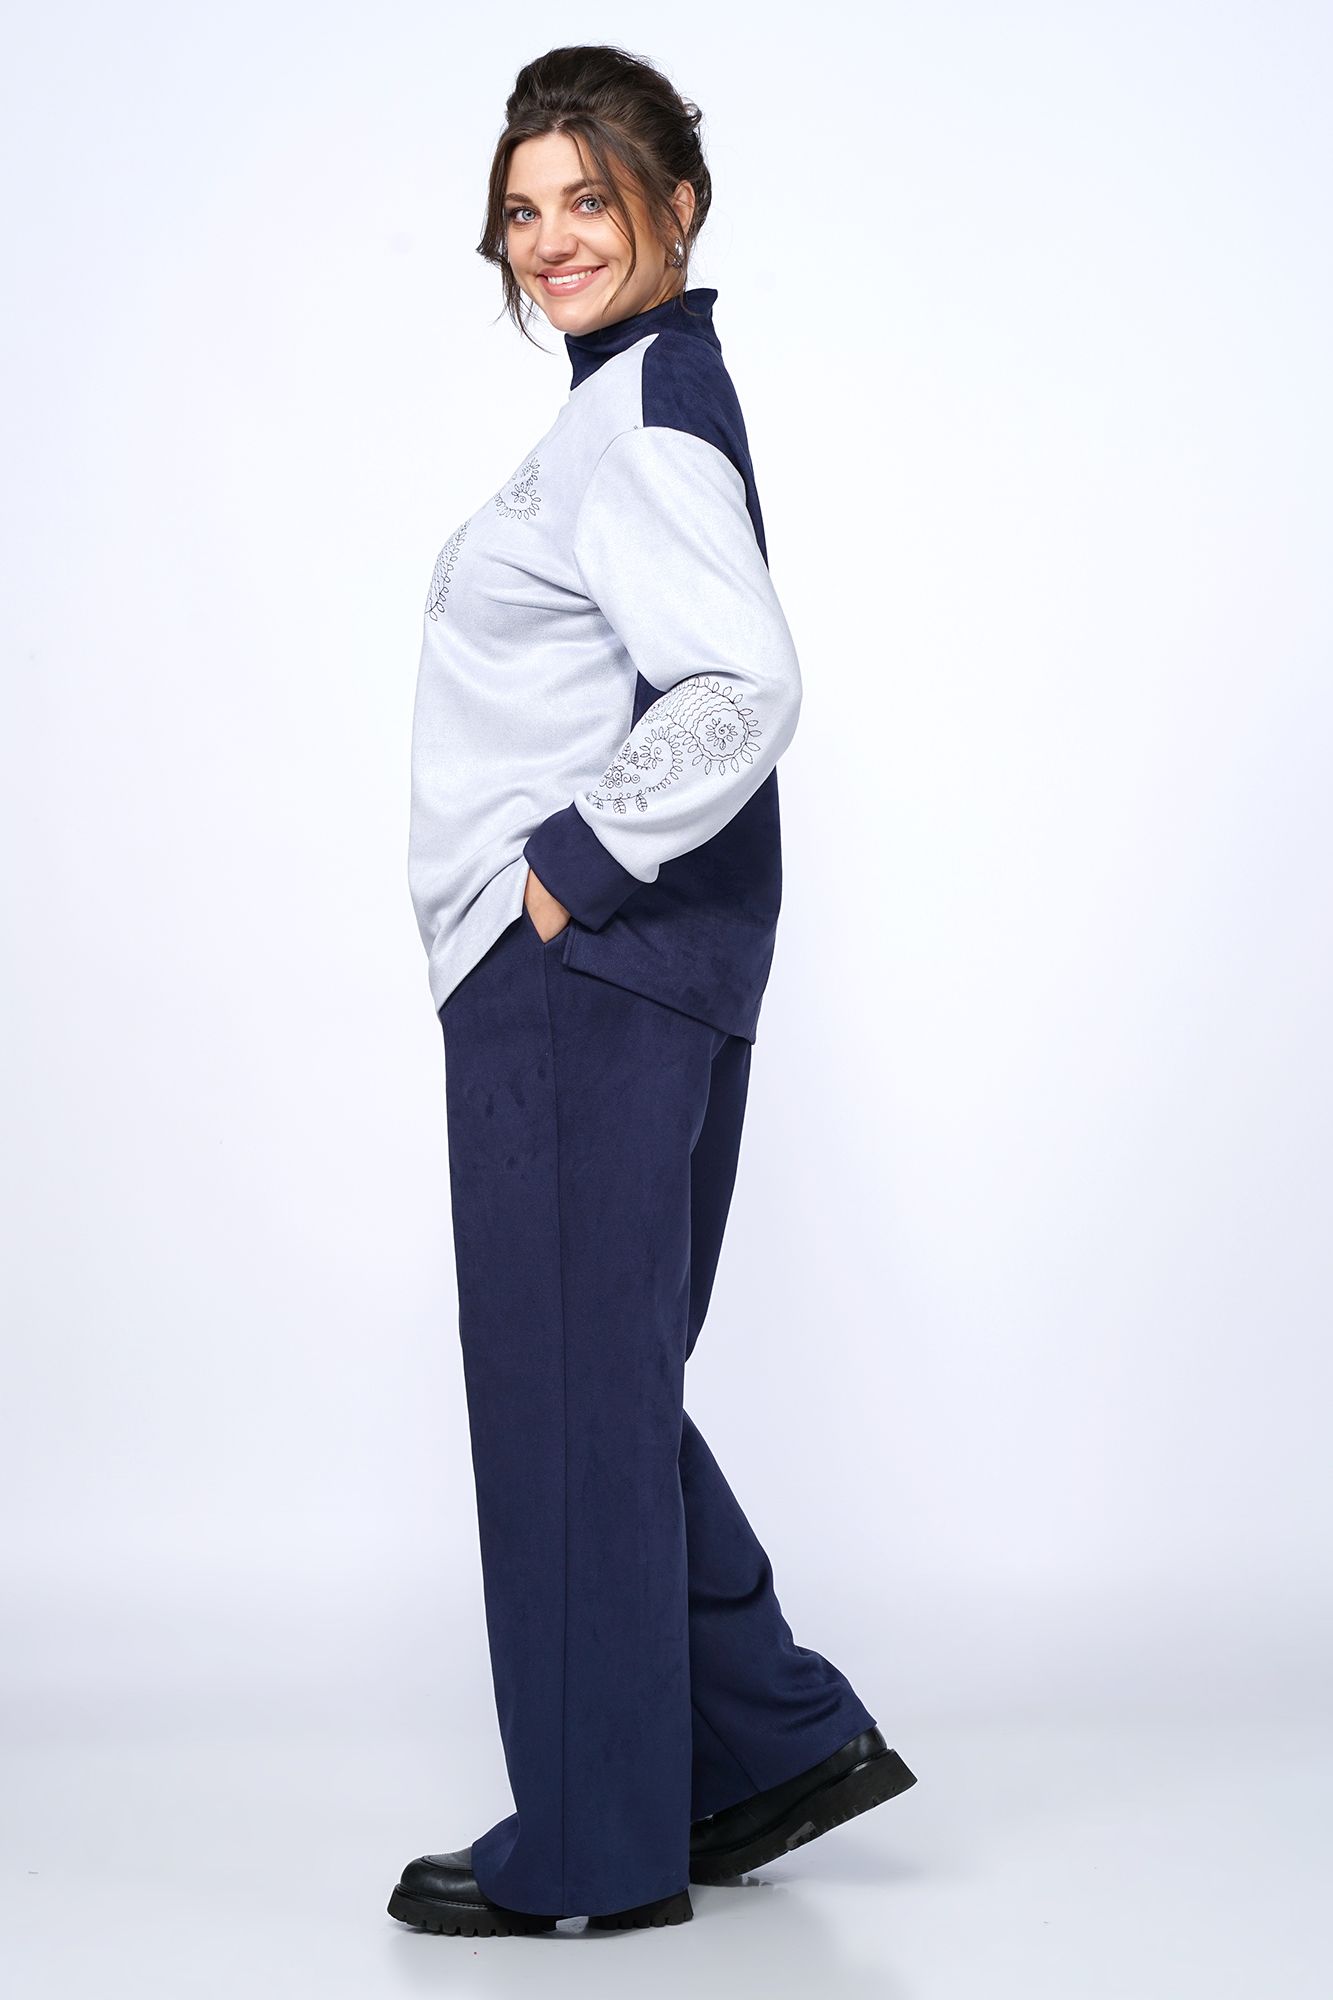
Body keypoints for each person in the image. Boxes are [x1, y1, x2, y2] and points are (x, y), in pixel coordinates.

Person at [388, 45, 917, 1941]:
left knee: (564, 1407)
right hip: (625, 979)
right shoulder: (635, 400)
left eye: (586, 201)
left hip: (586, 979)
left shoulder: (638, 422)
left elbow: (741, 680)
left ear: (675, 205)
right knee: (598, 1390)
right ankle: (764, 1744)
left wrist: (569, 869)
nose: (547, 241)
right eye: (521, 212)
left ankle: (596, 1853)